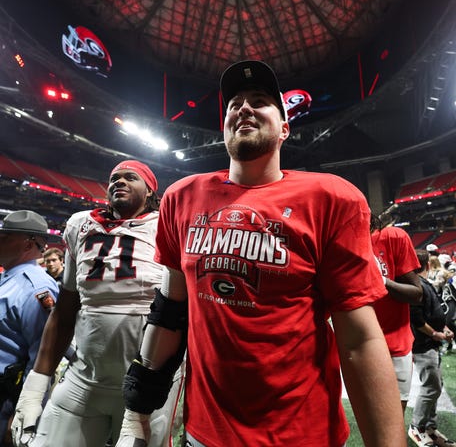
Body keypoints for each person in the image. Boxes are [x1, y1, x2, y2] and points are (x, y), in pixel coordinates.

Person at [115, 60, 407, 447]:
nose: (244, 107)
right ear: (224, 129)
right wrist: (137, 410)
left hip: (301, 435)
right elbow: (170, 309)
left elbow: (359, 339)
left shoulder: (331, 199)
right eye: (234, 102)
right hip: (204, 432)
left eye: (260, 100)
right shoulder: (181, 197)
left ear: (285, 128)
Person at [11, 161, 184, 447]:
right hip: (85, 377)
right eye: (114, 178)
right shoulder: (80, 224)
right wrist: (35, 386)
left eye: (131, 177)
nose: (119, 181)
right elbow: (65, 311)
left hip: (149, 386)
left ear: (151, 191)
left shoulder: (168, 225)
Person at [0, 210, 60, 444]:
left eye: (6, 237)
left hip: (6, 400)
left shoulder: (36, 288)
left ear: (27, 244)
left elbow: (44, 355)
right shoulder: (10, 277)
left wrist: (23, 411)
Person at [370, 218, 422, 413]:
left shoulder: (392, 237)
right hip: (356, 345)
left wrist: (381, 280)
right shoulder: (339, 243)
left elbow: (417, 294)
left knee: (392, 419)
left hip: (393, 344)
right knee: (370, 416)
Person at [408, 249, 455, 447]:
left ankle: (429, 426)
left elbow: (431, 314)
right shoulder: (418, 285)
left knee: (436, 386)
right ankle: (416, 427)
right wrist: (435, 333)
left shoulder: (422, 284)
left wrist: (442, 327)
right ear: (428, 264)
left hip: (431, 343)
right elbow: (417, 319)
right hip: (424, 344)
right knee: (431, 387)